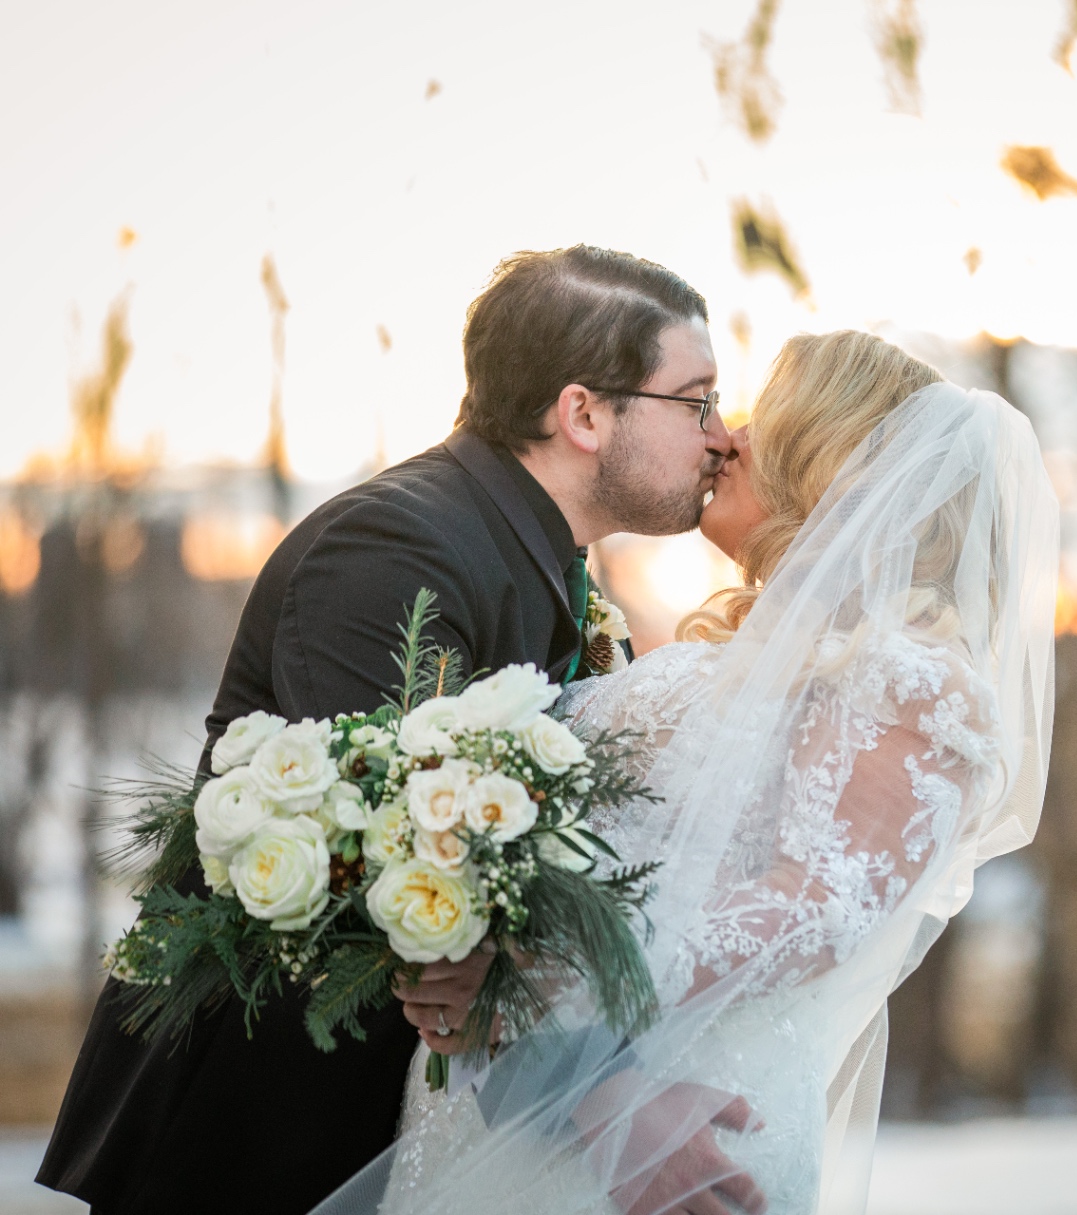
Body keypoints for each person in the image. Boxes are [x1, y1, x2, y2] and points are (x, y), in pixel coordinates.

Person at [37, 245, 758, 1215]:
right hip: (261, 1126)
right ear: (583, 413)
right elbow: (391, 846)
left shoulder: (530, 555)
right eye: (696, 399)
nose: (720, 436)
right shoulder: (397, 546)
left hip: (399, 1114)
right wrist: (606, 1094)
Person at [313, 330, 1060, 1215]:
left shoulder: (911, 674)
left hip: (683, 1119)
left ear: (829, 462)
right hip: (534, 1097)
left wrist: (537, 975)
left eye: (764, 418)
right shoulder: (751, 654)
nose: (727, 438)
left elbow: (819, 901)